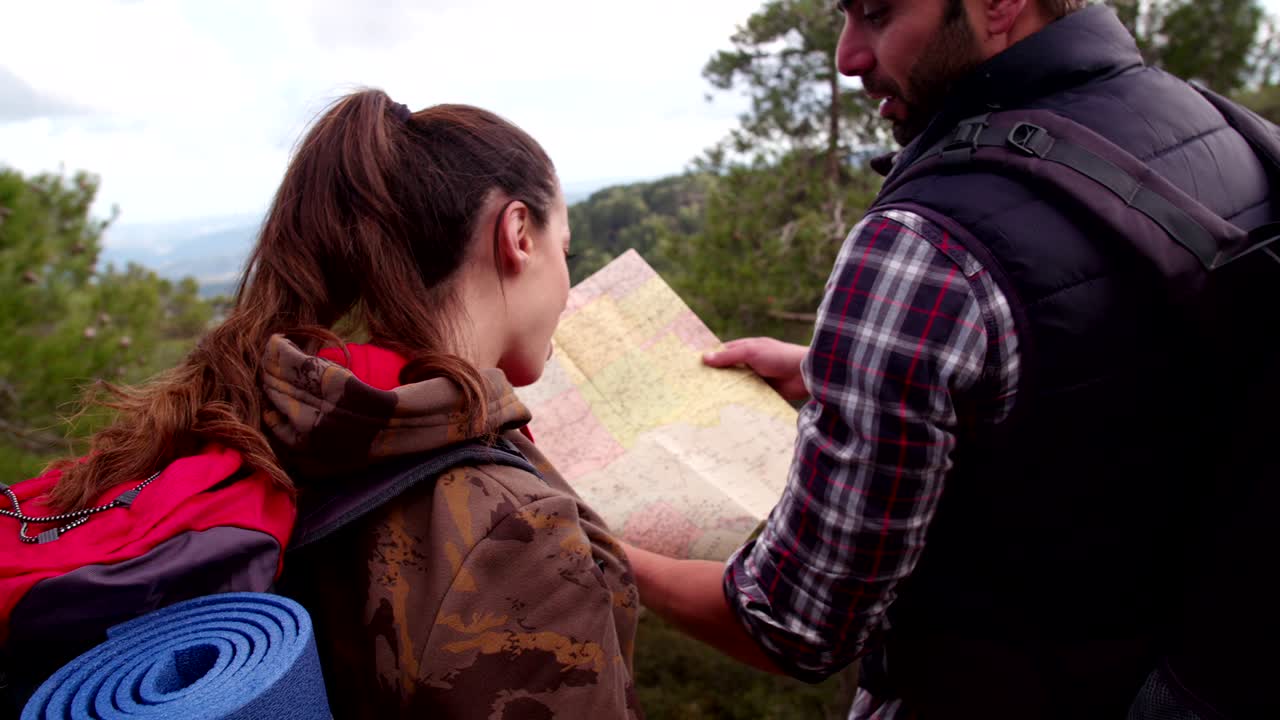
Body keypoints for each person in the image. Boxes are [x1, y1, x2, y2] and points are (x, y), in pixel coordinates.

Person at [624, 1, 1278, 718]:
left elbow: (792, 625)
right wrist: (847, 372)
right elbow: (1131, 376)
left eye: (876, 12)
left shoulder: (924, 244)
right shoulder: (1228, 136)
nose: (847, 56)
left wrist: (603, 552)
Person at [6, 90, 641, 719]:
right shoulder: (511, 528)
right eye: (567, 249)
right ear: (519, 234)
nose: (566, 282)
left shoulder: (260, 417)